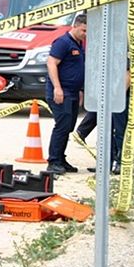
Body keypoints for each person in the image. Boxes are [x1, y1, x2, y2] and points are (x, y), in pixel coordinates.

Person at [45, 13, 87, 174]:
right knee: (62, 126)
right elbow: (51, 63)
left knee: (68, 126)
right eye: (83, 30)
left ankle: (61, 158)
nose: (85, 34)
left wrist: (81, 90)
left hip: (74, 92)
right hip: (62, 92)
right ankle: (54, 161)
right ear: (75, 26)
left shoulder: (78, 44)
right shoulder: (63, 43)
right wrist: (57, 88)